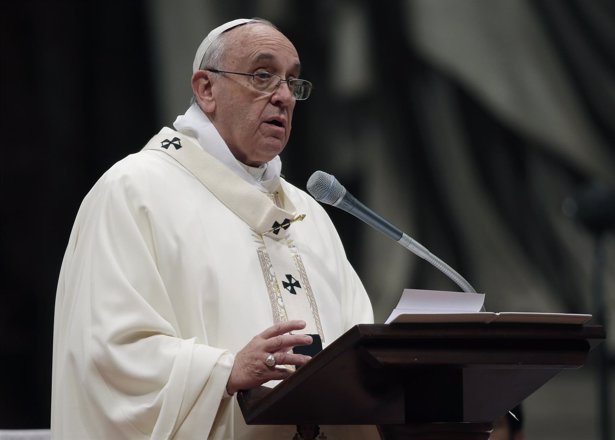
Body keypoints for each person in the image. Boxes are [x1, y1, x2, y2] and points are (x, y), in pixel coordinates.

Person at [51, 18, 377, 440]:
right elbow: (106, 356)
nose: (282, 96)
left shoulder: (308, 213)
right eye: (263, 76)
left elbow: (357, 349)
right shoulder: (135, 190)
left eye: (293, 82)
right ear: (206, 89)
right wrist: (225, 371)